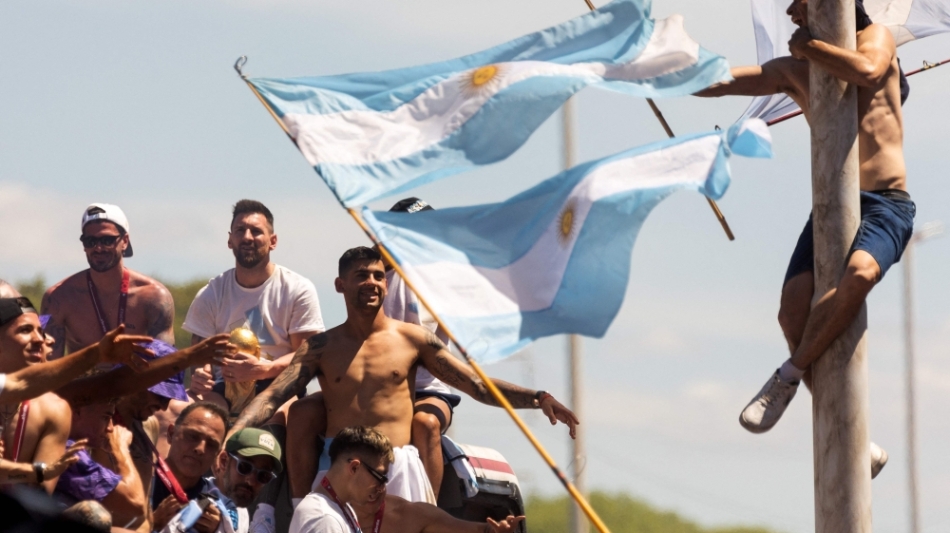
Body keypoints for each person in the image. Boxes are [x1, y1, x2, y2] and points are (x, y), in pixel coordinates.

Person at [697, 0, 910, 474]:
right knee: (793, 310)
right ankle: (857, 436)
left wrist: (811, 46)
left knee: (858, 274)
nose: (792, 12)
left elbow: (870, 72)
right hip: (833, 207)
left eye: (800, 4)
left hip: (884, 203)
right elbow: (721, 82)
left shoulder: (877, 41)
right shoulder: (795, 70)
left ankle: (787, 375)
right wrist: (658, 71)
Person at [233, 247, 578, 506]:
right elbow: (273, 396)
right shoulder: (321, 347)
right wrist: (232, 434)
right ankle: (293, 506)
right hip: (339, 468)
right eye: (361, 275)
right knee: (301, 411)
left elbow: (475, 385)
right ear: (340, 284)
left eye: (378, 275)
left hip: (395, 468)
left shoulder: (414, 340)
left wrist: (538, 398)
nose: (372, 282)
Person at [287, 198, 459, 502]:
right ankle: (300, 507)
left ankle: (426, 513)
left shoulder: (440, 279)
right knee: (300, 412)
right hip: (371, 383)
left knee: (426, 424)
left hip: (423, 387)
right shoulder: (367, 271)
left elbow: (443, 340)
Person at [42, 203, 176, 361]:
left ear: (125, 241)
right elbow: (46, 366)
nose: (98, 248)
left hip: (134, 382)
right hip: (83, 384)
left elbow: (165, 366)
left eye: (107, 240)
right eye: (90, 241)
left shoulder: (154, 296)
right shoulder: (58, 297)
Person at [0, 297, 153, 406]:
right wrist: (96, 354)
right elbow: (21, 384)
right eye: (25, 330)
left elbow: (110, 386)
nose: (41, 340)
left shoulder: (52, 409)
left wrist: (98, 354)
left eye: (41, 332)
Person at [113, 339, 191, 522]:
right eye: (160, 394)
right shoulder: (94, 426)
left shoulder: (150, 426)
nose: (163, 407)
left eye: (169, 399)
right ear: (134, 378)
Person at [159, 427, 283, 533]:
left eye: (263, 476)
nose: (251, 481)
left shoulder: (241, 511)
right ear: (224, 461)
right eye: (244, 467)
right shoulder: (193, 497)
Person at [56, 401, 149, 532]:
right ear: (77, 412)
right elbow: (135, 502)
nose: (110, 427)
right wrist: (120, 448)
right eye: (105, 417)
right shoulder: (69, 451)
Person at [289, 426, 392, 533]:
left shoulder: (339, 508)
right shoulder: (324, 519)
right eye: (380, 476)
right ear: (354, 468)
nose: (382, 487)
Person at [151, 402, 229, 532]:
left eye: (211, 444)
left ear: (217, 454)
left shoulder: (222, 506)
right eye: (193, 436)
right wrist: (150, 523)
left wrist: (219, 530)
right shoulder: (136, 483)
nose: (200, 449)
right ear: (171, 434)